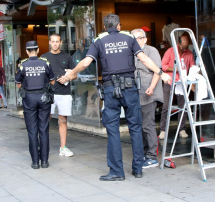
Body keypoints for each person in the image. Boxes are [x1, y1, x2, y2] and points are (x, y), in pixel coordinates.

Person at [60, 14, 171, 181]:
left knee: (113, 130)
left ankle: (117, 172)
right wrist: (161, 74)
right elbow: (143, 58)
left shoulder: (99, 40)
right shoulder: (128, 37)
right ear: (119, 26)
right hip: (130, 88)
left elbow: (85, 62)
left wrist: (71, 74)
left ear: (105, 27)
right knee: (135, 127)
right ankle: (138, 168)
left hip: (111, 89)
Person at [15, 41, 55, 169]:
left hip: (29, 99)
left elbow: (18, 83)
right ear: (37, 50)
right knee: (44, 130)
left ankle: (35, 162)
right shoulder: (45, 63)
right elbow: (52, 81)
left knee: (32, 131)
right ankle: (44, 161)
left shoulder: (23, 65)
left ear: (27, 51)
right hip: (44, 98)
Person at [131, 28, 163, 169]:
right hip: (135, 94)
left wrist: (152, 86)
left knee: (147, 125)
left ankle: (152, 156)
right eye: (134, 38)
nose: (136, 40)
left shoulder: (151, 51)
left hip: (149, 93)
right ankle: (144, 153)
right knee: (139, 125)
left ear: (145, 39)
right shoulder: (131, 52)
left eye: (139, 38)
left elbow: (157, 70)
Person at [42, 34, 76, 157]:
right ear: (50, 42)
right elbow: (41, 76)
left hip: (64, 93)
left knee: (63, 119)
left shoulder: (67, 56)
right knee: (45, 119)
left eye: (57, 41)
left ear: (60, 42)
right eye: (53, 41)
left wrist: (67, 77)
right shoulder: (44, 58)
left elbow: (75, 74)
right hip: (49, 93)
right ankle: (42, 146)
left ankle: (63, 147)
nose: (55, 44)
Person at [159, 34, 195, 139]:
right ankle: (163, 130)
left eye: (186, 47)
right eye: (183, 47)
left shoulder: (189, 53)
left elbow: (192, 67)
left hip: (182, 82)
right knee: (166, 106)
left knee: (182, 106)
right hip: (170, 80)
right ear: (178, 44)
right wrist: (175, 69)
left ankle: (182, 129)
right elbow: (163, 66)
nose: (184, 49)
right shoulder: (170, 51)